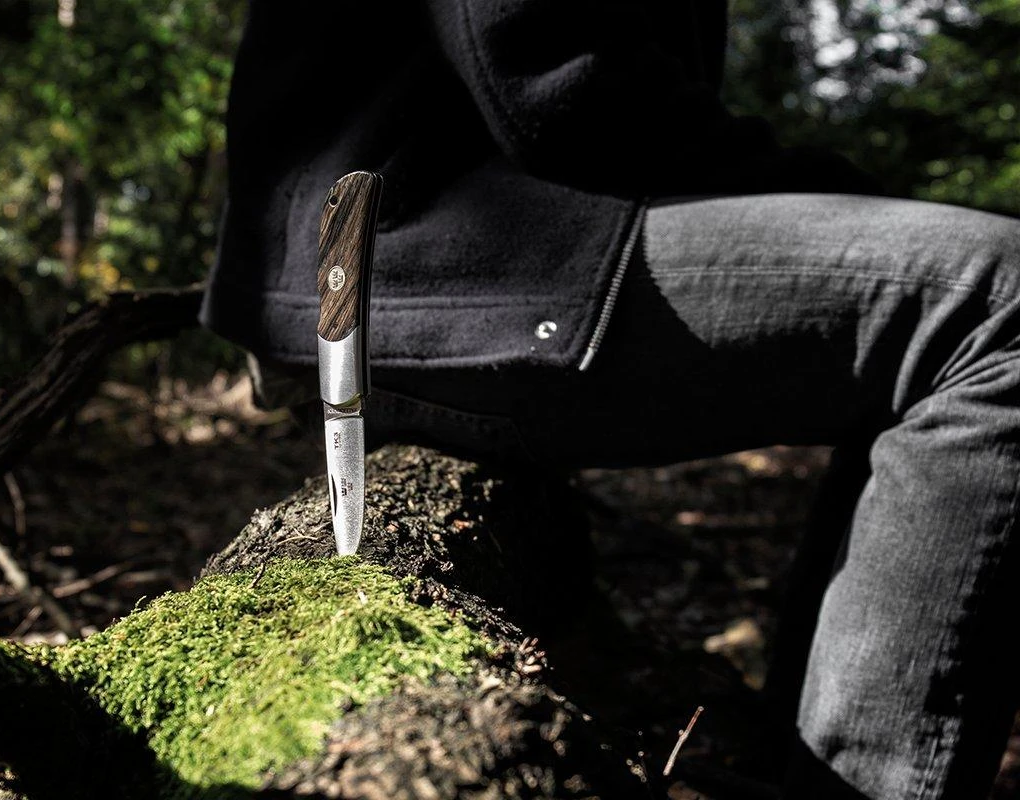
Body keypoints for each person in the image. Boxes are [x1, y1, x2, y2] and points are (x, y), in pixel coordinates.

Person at [199, 2, 1020, 797]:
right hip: (431, 255)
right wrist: (844, 198)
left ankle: (802, 758)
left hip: (430, 250)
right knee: (997, 306)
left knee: (950, 310)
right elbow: (550, 78)